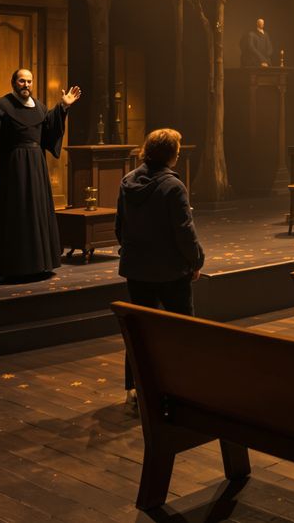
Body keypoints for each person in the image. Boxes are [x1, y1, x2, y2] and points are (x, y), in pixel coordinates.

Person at [116, 128, 205, 400]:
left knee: (139, 330)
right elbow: (184, 232)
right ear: (170, 154)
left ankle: (135, 388)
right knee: (182, 329)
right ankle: (183, 384)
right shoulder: (173, 187)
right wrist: (196, 261)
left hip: (137, 269)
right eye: (176, 149)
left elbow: (120, 227)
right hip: (170, 271)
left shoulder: (127, 182)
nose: (178, 153)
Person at [0, 69, 81, 280]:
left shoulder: (39, 107)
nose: (26, 85)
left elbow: (50, 130)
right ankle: (10, 264)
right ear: (13, 82)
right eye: (22, 81)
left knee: (36, 210)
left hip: (36, 167)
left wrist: (63, 107)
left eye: (29, 81)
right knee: (14, 212)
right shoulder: (1, 105)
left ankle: (39, 262)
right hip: (11, 169)